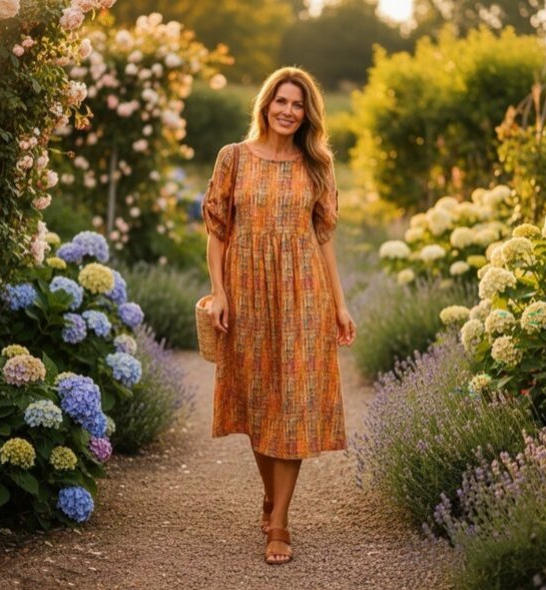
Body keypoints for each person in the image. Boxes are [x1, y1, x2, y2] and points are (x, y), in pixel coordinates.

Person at [201, 66, 356, 565]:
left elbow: (324, 239)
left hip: (303, 292)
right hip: (247, 290)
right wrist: (219, 292)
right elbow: (218, 232)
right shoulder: (233, 157)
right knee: (258, 399)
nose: (288, 111)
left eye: (298, 105)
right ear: (266, 105)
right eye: (281, 101)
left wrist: (340, 304)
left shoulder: (317, 165)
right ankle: (271, 496)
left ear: (308, 114)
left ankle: (281, 520)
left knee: (294, 403)